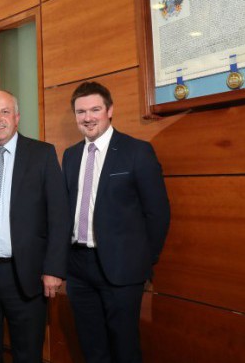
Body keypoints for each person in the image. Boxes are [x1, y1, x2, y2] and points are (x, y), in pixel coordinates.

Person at [62, 81, 171, 363]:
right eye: (81, 111)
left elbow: (158, 213)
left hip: (122, 270)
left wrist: (145, 262)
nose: (88, 117)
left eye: (95, 109)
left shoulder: (137, 152)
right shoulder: (71, 155)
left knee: (124, 347)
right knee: (91, 346)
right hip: (78, 267)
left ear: (110, 111)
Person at [0, 90, 70, 363]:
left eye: (5, 112)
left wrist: (53, 269)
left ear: (17, 117)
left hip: (27, 276)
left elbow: (59, 215)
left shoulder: (42, 155)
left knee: (28, 353)